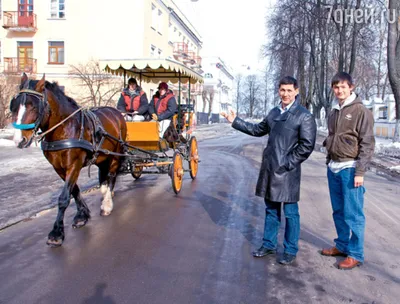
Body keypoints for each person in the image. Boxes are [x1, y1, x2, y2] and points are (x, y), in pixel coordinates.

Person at [221, 76, 317, 265]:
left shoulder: (304, 115)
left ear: (296, 91)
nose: (286, 94)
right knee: (271, 210)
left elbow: (306, 146)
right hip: (270, 169)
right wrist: (235, 121)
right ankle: (269, 244)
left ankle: (290, 249)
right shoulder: (274, 112)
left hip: (287, 172)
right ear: (279, 91)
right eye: (282, 90)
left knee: (290, 213)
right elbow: (258, 129)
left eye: (289, 90)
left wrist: (287, 164)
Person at [321, 72, 375, 270]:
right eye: (336, 87)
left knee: (354, 214)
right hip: (333, 167)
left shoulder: (361, 111)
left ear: (351, 87)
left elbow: (367, 144)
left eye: (343, 87)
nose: (339, 90)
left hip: (350, 168)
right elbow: (332, 136)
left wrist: (360, 172)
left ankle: (355, 254)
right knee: (339, 211)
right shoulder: (334, 110)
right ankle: (342, 245)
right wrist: (328, 157)